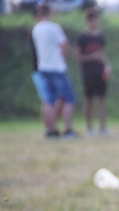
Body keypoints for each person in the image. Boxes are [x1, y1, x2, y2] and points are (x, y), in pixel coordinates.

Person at [31, 3, 77, 138]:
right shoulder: (54, 28)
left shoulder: (36, 29)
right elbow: (64, 45)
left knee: (49, 100)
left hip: (43, 67)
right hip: (57, 67)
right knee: (69, 98)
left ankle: (51, 129)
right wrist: (62, 58)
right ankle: (68, 129)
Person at [77, 9, 111, 135]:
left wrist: (107, 66)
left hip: (100, 72)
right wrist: (93, 56)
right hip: (88, 73)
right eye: (96, 20)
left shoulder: (99, 37)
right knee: (89, 100)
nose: (98, 23)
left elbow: (102, 54)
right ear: (90, 21)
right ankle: (89, 127)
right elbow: (78, 57)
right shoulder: (82, 38)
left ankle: (103, 127)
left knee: (102, 99)